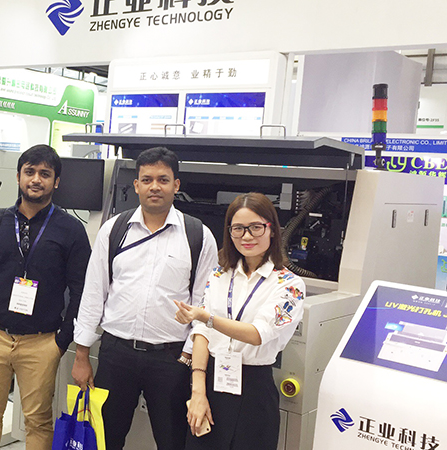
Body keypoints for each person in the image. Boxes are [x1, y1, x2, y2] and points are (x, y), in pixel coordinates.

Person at [72, 146, 218, 450]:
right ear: (136, 185)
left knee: (173, 441)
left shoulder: (198, 236)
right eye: (147, 179)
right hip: (116, 355)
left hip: (171, 359)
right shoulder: (114, 230)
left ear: (176, 185)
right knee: (105, 439)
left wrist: (188, 357)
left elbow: (205, 304)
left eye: (163, 180)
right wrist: (82, 355)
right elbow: (94, 293)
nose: (155, 187)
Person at [0, 144, 91, 450]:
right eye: (30, 172)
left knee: (38, 420)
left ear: (56, 182)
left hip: (41, 343)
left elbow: (81, 289)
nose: (36, 179)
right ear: (18, 177)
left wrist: (62, 340)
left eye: (45, 174)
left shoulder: (71, 229)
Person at [175, 192, 305, 450]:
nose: (247, 236)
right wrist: (198, 391)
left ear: (272, 230)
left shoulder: (289, 285)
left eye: (256, 227)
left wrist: (206, 317)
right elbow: (201, 332)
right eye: (238, 228)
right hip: (211, 382)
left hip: (255, 391)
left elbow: (258, 334)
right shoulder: (219, 275)